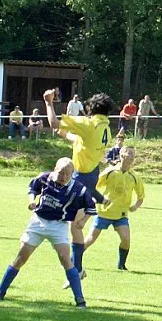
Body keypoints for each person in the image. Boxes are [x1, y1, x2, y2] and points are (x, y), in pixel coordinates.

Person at [0, 158, 95, 308]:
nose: (64, 177)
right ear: (55, 169)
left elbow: (91, 207)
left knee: (65, 259)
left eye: (68, 174)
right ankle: (0, 292)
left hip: (59, 226)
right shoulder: (44, 177)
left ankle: (80, 300)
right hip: (38, 222)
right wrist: (31, 200)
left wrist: (83, 221)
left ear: (72, 174)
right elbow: (33, 189)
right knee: (20, 258)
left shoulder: (78, 188)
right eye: (61, 172)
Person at [43, 89, 112, 281]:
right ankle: (76, 269)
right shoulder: (106, 127)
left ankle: (77, 270)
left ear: (90, 108)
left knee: (74, 226)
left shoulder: (89, 123)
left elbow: (54, 123)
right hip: (90, 174)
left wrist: (49, 103)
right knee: (73, 226)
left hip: (81, 177)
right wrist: (66, 134)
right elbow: (80, 140)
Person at [83, 146, 144, 270]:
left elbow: (141, 196)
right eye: (129, 153)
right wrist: (95, 198)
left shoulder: (134, 176)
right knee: (90, 239)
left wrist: (135, 206)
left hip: (121, 214)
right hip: (104, 212)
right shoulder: (110, 172)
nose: (132, 156)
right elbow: (94, 185)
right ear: (122, 155)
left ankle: (121, 265)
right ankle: (73, 258)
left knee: (126, 239)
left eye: (133, 154)